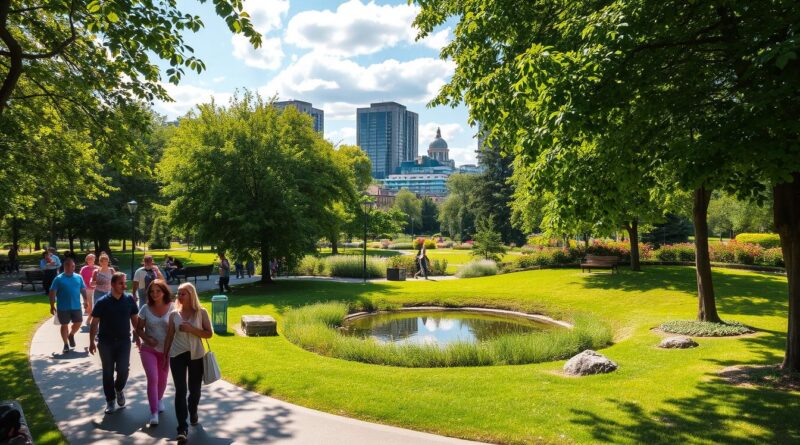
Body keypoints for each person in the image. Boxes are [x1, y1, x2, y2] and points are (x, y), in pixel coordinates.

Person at [163, 283, 212, 443]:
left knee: (195, 390)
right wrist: (165, 354)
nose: (179, 296)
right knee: (180, 391)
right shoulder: (174, 315)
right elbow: (169, 336)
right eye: (178, 293)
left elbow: (208, 334)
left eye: (183, 293)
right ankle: (182, 428)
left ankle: (193, 410)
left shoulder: (201, 312)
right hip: (177, 355)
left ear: (191, 295)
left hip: (196, 355)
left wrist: (192, 329)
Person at [89, 272, 139, 414]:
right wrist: (92, 341)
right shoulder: (102, 302)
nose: (125, 286)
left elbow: (135, 320)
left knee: (124, 369)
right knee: (108, 372)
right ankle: (110, 401)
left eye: (125, 283)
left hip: (124, 341)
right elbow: (94, 323)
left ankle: (119, 389)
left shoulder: (129, 299)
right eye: (121, 283)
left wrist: (139, 336)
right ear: (112, 284)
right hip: (106, 342)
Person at [136, 279, 174, 426]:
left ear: (164, 292)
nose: (155, 294)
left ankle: (158, 400)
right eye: (152, 291)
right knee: (153, 378)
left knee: (163, 380)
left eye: (158, 291)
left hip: (166, 350)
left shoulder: (172, 308)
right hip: (148, 349)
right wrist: (147, 338)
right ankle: (153, 413)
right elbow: (138, 329)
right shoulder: (145, 308)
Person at [48, 258, 89, 354]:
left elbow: (83, 290)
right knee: (64, 325)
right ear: (65, 266)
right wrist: (52, 305)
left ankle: (71, 335)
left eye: (74, 266)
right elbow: (52, 292)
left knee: (78, 322)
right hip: (63, 307)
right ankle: (66, 344)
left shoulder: (78, 277)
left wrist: (86, 301)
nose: (73, 268)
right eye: (71, 266)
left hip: (76, 306)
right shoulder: (58, 279)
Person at [80, 254, 98, 326]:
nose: (90, 260)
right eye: (88, 259)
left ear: (94, 259)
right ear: (86, 260)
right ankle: (89, 318)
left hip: (97, 289)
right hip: (87, 289)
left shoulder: (98, 268)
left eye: (91, 259)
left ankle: (91, 318)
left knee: (96, 305)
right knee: (90, 305)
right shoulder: (83, 269)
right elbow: (80, 279)